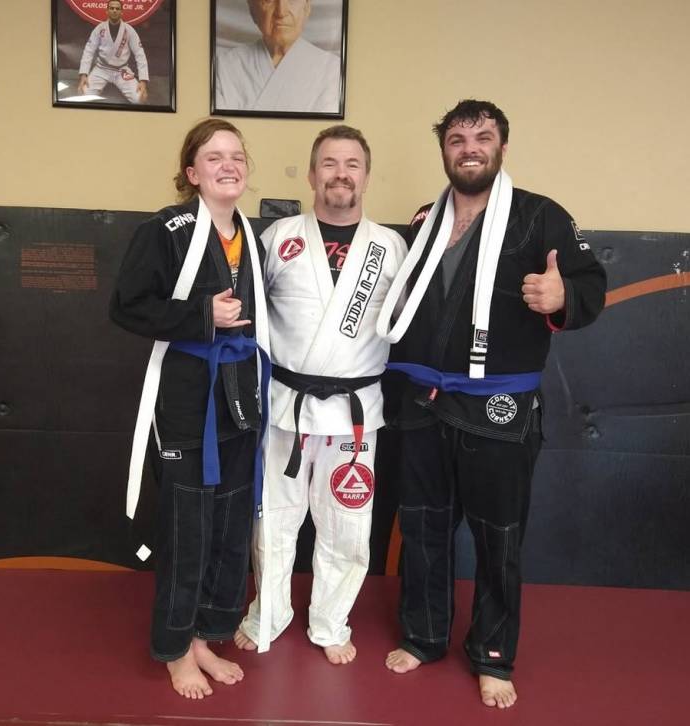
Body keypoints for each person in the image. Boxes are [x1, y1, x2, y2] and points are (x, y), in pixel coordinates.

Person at [377, 100, 606, 708]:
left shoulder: (539, 216)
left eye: (482, 137)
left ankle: (492, 655)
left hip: (498, 408)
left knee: (498, 538)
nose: (469, 148)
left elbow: (591, 284)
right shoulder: (425, 220)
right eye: (457, 139)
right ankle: (424, 636)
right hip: (423, 402)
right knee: (423, 526)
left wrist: (562, 294)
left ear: (502, 146)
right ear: (444, 151)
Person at [233, 125, 407, 664]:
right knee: (274, 519)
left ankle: (331, 622)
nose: (340, 174)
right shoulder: (279, 237)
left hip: (355, 414)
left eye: (352, 164)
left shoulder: (389, 247)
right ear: (312, 175)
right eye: (329, 163)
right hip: (285, 406)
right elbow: (249, 313)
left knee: (347, 524)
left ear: (366, 176)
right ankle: (268, 613)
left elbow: (407, 323)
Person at [110, 118, 270, 699]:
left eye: (237, 156)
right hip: (186, 398)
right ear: (192, 172)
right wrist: (203, 314)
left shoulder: (250, 235)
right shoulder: (165, 229)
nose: (229, 165)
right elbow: (127, 306)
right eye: (214, 157)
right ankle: (175, 647)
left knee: (229, 524)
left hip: (239, 396)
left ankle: (205, 634)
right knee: (186, 528)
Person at [215, 0, 340, 113]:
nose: (281, 12)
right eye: (269, 1)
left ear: (307, 8)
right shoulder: (224, 67)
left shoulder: (332, 70)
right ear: (252, 10)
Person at [78, 0, 149, 104]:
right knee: (83, 94)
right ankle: (98, 87)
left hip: (122, 70)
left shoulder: (129, 30)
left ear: (121, 12)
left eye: (117, 8)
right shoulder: (99, 29)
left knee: (139, 99)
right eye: (111, 8)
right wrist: (84, 75)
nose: (114, 10)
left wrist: (143, 81)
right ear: (107, 11)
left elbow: (140, 54)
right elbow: (89, 50)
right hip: (101, 68)